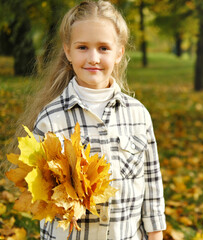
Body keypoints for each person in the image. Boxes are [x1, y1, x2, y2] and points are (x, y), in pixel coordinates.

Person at [14, 1, 166, 239]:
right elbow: (39, 192)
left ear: (119, 53)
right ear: (68, 51)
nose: (93, 58)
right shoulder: (51, 119)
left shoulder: (138, 115)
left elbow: (152, 184)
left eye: (103, 48)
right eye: (83, 47)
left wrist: (156, 234)